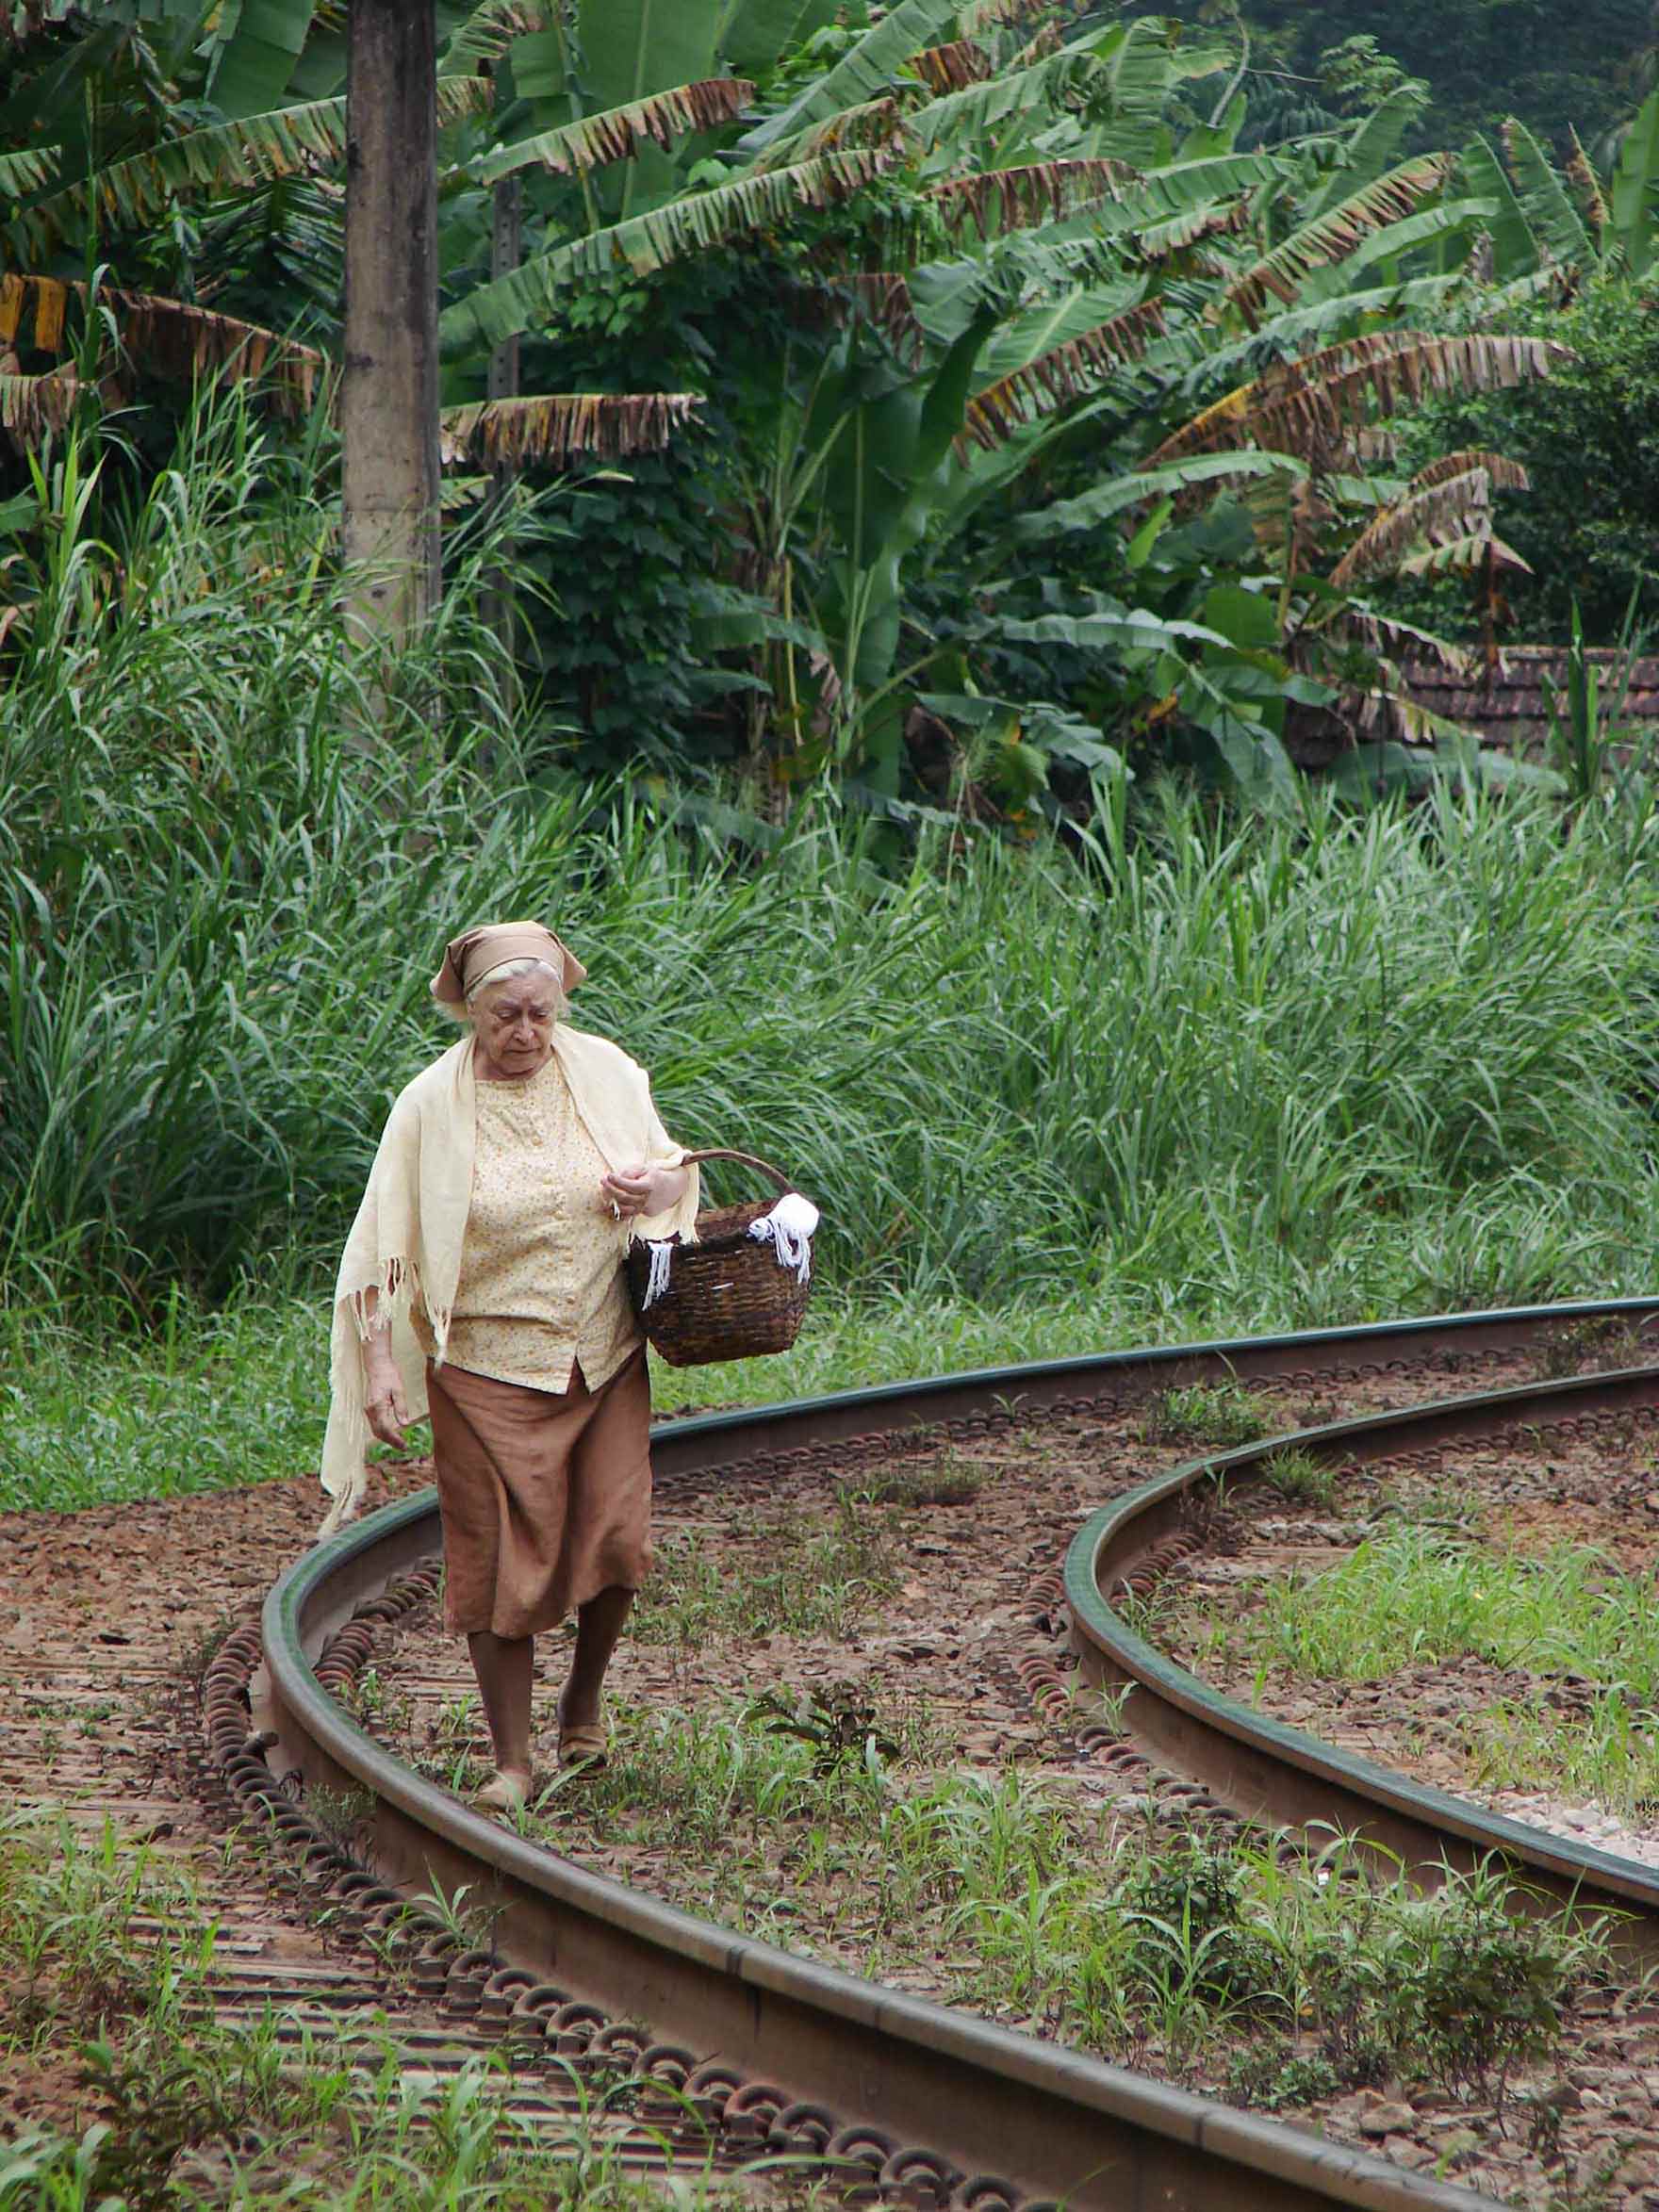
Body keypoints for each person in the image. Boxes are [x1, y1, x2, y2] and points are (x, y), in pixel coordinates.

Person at [318, 921, 698, 1812]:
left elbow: (675, 1171)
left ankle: (585, 1698)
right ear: (470, 1013)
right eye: (504, 1016)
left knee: (619, 1539)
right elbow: (380, 1247)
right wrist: (380, 1364)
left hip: (599, 1349)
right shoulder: (427, 1106)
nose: (525, 1032)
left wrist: (655, 1190)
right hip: (483, 1364)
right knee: (496, 1566)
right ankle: (513, 1762)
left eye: (540, 1013)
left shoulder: (603, 1071)